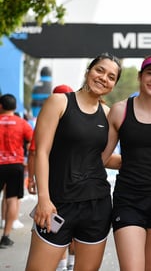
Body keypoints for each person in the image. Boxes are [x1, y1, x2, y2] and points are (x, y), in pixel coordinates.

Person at [25, 52, 122, 271]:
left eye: (111, 76)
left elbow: (101, 159)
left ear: (113, 84)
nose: (103, 78)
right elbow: (42, 151)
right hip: (58, 204)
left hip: (97, 206)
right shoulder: (59, 102)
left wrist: (144, 162)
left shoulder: (108, 114)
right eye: (99, 70)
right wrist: (43, 199)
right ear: (88, 71)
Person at [101, 54, 151, 271]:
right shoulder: (121, 109)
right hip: (129, 200)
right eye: (150, 73)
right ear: (140, 76)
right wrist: (132, 163)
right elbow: (103, 157)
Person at [26, 84, 76, 271]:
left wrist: (31, 179)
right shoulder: (78, 120)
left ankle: (62, 266)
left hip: (51, 184)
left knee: (53, 226)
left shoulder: (46, 119)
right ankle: (70, 264)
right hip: (75, 186)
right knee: (71, 226)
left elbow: (34, 153)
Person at [0, 94, 33, 248]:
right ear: (14, 108)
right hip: (15, 165)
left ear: (1, 106)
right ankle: (6, 236)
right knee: (12, 199)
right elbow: (32, 145)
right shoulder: (22, 123)